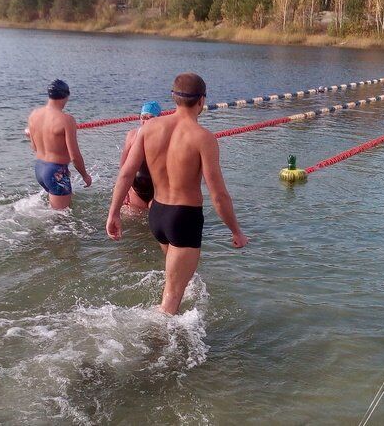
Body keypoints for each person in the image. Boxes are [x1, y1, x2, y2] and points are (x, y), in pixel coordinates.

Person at [106, 73, 248, 315]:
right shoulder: (203, 138)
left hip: (158, 215)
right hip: (184, 218)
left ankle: (168, 324)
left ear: (173, 98)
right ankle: (156, 348)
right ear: (202, 100)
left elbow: (125, 174)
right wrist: (236, 231)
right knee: (170, 302)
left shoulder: (149, 128)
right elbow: (219, 195)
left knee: (176, 283)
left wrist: (114, 213)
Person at [27, 79, 92, 209]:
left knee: (57, 213)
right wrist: (85, 175)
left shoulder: (34, 115)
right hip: (56, 172)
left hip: (39, 168)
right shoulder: (66, 120)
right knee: (62, 221)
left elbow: (34, 147)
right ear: (66, 96)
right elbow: (74, 155)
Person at [119, 101, 161, 211]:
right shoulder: (132, 135)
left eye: (150, 118)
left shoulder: (164, 137)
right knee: (133, 224)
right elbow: (123, 165)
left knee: (154, 224)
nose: (145, 121)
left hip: (158, 190)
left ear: (158, 119)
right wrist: (123, 190)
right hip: (136, 189)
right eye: (143, 117)